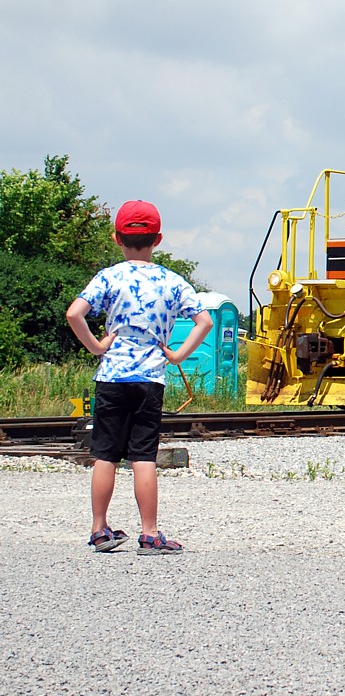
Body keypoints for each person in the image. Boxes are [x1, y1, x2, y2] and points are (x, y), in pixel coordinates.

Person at [66, 200, 212, 555]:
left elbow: (75, 313)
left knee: (105, 454)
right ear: (158, 239)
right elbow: (205, 321)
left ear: (117, 238)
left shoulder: (108, 277)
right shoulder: (172, 281)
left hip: (112, 376)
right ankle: (149, 534)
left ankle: (100, 530)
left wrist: (98, 348)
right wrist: (177, 355)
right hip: (150, 379)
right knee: (143, 456)